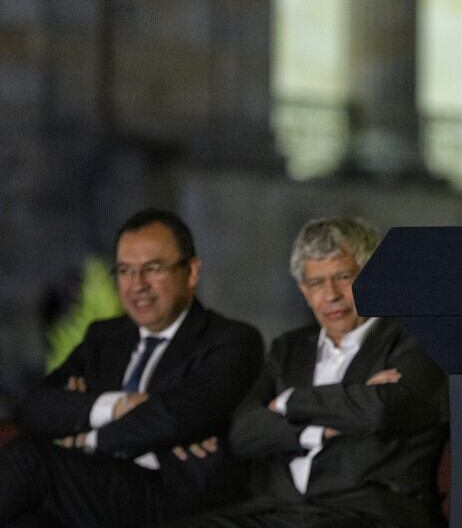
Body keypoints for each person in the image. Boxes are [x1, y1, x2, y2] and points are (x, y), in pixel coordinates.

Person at [166, 217, 449, 528]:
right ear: (303, 289)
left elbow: (380, 411)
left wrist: (289, 402)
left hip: (366, 513)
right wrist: (322, 428)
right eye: (316, 283)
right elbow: (245, 432)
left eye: (344, 277)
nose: (330, 295)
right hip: (277, 511)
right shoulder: (289, 349)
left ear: (373, 277)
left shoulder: (415, 340)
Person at [0, 208, 264, 527]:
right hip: (95, 487)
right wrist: (114, 406)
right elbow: (35, 408)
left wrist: (87, 438)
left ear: (191, 272)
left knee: (31, 461)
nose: (136, 284)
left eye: (152, 268)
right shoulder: (105, 337)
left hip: (173, 498)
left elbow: (174, 417)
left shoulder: (231, 340)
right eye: (124, 271)